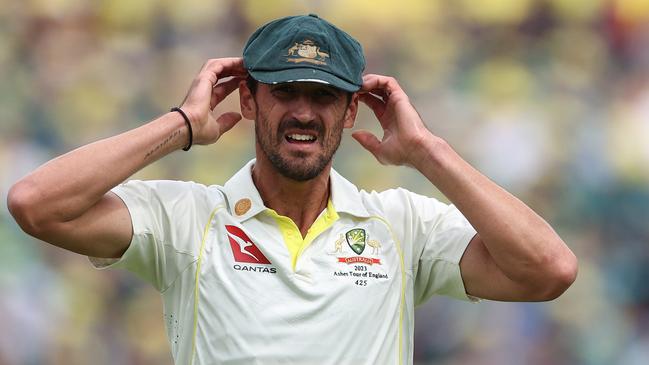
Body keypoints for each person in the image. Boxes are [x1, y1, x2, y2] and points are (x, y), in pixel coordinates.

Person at [7, 14, 577, 365]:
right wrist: (181, 123)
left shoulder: (402, 227)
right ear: (249, 99)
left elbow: (549, 269)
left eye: (325, 95)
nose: (304, 112)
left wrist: (428, 151)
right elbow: (36, 203)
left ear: (353, 109)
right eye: (285, 91)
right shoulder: (187, 219)